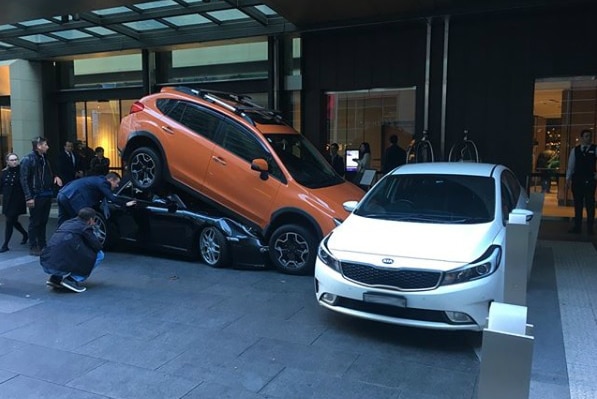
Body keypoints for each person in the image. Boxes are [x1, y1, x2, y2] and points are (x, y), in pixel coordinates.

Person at [41, 207, 104, 293]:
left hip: (48, 259)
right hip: (61, 259)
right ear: (90, 219)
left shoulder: (67, 222)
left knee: (65, 250)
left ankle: (55, 278)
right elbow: (97, 246)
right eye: (94, 220)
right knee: (100, 255)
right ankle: (73, 279)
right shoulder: (85, 227)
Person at [20, 137, 63, 256]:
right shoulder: (28, 159)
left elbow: (48, 172)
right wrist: (29, 197)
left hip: (46, 193)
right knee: (35, 221)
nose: (47, 147)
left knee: (43, 221)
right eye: (45, 145)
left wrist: (55, 176)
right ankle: (34, 245)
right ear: (39, 146)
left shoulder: (44, 158)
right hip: (36, 194)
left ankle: (43, 244)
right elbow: (24, 179)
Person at [56, 172, 135, 226]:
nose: (117, 186)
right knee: (79, 222)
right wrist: (125, 203)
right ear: (111, 180)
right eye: (117, 183)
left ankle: (57, 244)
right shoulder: (103, 183)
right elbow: (112, 198)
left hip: (62, 193)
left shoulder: (97, 179)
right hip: (71, 197)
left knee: (62, 222)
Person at [566, 129, 596, 235]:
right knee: (578, 204)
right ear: (582, 138)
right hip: (577, 180)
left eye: (590, 136)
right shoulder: (576, 150)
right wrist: (567, 179)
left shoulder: (595, 149)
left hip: (589, 180)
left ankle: (590, 228)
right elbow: (571, 165)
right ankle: (577, 226)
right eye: (586, 136)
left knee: (590, 204)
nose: (589, 138)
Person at [0, 153, 28, 252]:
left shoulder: (21, 170)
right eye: (12, 160)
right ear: (7, 161)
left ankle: (5, 245)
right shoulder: (4, 173)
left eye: (16, 159)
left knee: (9, 221)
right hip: (8, 200)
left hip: (17, 200)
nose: (14, 161)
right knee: (13, 221)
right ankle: (25, 234)